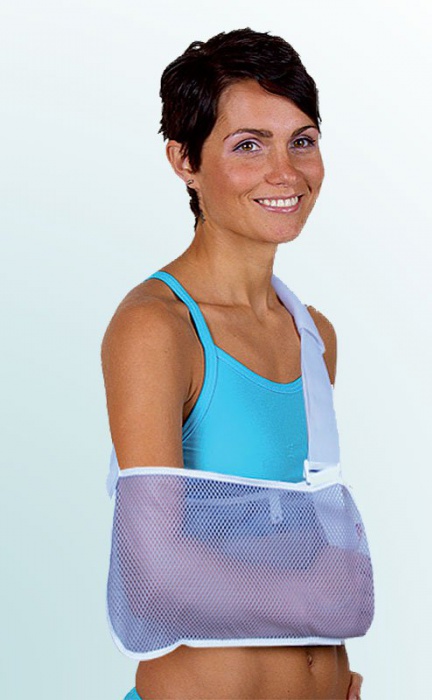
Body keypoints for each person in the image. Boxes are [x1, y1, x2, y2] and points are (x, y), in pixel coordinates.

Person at [101, 28, 365, 700]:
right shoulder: (159, 329)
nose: (286, 173)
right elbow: (154, 573)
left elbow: (287, 534)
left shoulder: (314, 337)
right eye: (249, 145)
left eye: (302, 141)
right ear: (184, 160)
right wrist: (319, 594)